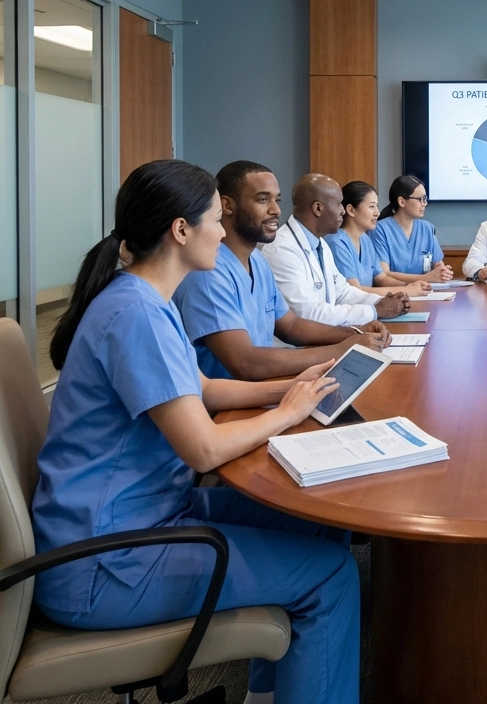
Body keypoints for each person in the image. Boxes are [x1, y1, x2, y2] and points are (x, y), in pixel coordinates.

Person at [31, 159, 361, 704]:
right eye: (214, 218)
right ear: (181, 231)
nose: (222, 230)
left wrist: (293, 387)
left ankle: (270, 693)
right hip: (105, 564)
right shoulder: (136, 313)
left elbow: (202, 387)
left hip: (140, 518)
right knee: (331, 576)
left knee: (321, 524)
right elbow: (203, 449)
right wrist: (285, 414)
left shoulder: (140, 299)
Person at [173, 160, 390, 380]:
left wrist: (355, 333)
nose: (276, 210)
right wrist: (342, 349)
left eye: (277, 200)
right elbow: (245, 363)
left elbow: (290, 325)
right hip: (228, 409)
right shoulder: (209, 271)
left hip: (262, 387)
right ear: (227, 206)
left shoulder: (257, 259)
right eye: (262, 199)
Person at [262, 172, 411, 325]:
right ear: (318, 208)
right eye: (339, 204)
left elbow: (342, 292)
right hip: (296, 346)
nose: (343, 210)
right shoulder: (282, 249)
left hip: (322, 337)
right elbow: (306, 313)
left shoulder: (321, 244)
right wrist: (375, 310)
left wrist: (383, 301)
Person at [326, 181, 432, 296]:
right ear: (351, 210)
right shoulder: (337, 243)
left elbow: (381, 278)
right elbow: (354, 291)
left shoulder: (365, 239)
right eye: (371, 206)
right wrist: (406, 290)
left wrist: (409, 286)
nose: (377, 212)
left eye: (377, 206)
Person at [371, 175, 453, 285]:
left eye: (425, 199)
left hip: (425, 293)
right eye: (420, 199)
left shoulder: (427, 228)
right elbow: (384, 274)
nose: (425, 203)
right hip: (395, 293)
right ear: (402, 201)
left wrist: (441, 270)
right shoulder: (380, 229)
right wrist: (426, 278)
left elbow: (437, 263)